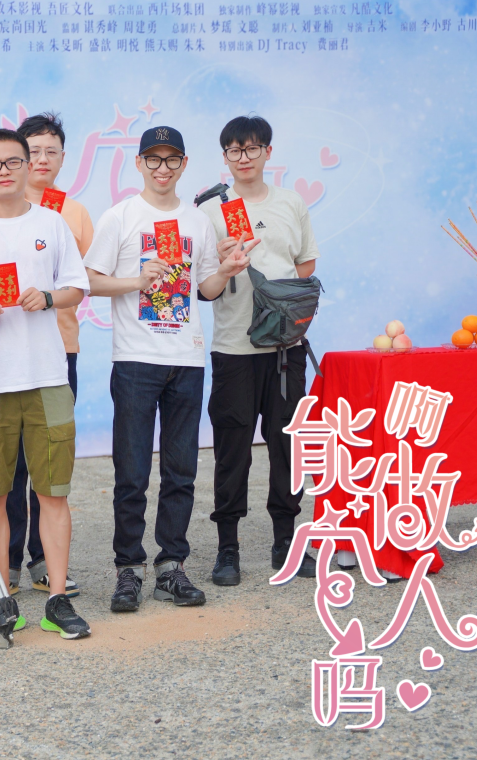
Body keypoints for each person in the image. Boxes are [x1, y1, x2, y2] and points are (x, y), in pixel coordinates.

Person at [84, 126, 254, 613]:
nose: (163, 168)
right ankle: (129, 569)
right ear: (139, 163)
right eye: (154, 159)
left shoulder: (197, 221)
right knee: (132, 472)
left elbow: (205, 289)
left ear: (184, 164)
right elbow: (89, 280)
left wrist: (226, 271)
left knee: (181, 471)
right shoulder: (120, 216)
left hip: (186, 359)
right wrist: (137, 280)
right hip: (135, 360)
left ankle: (171, 566)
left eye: (172, 159)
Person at [0, 128, 91, 641]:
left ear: (28, 165)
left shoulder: (51, 222)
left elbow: (77, 286)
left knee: (53, 492)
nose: (6, 171)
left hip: (47, 376)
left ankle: (57, 600)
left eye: (15, 161)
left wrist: (48, 297)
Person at [197, 115, 320, 585]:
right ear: (224, 157)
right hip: (234, 347)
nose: (243, 158)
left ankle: (286, 543)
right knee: (233, 449)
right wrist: (225, 265)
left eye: (252, 149)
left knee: (287, 445)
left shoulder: (291, 203)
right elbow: (204, 287)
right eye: (234, 150)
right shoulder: (210, 210)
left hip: (286, 349)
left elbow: (305, 264)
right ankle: (227, 549)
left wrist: (280, 304)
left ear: (268, 151)